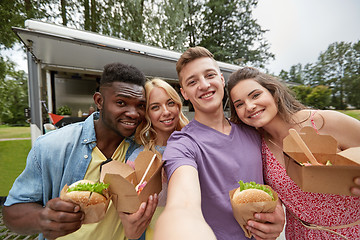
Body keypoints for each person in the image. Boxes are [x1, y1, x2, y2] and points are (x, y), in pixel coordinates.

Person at [3, 62, 158, 240]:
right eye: (121, 102)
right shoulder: (52, 146)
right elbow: (12, 211)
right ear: (99, 101)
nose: (133, 113)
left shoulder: (143, 150)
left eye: (140, 105)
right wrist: (43, 218)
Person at [153, 46, 285, 240]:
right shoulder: (183, 143)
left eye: (210, 75)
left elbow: (275, 181)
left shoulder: (254, 132)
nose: (204, 85)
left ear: (222, 80)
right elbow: (182, 205)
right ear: (185, 93)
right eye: (193, 81)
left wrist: (278, 208)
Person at [227, 66, 360, 239]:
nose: (250, 106)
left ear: (273, 93)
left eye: (255, 95)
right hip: (298, 234)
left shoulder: (322, 122)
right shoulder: (256, 147)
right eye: (240, 104)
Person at [127, 78, 189, 239]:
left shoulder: (195, 144)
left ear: (178, 105)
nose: (166, 111)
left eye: (170, 103)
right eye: (155, 107)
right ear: (147, 114)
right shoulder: (137, 158)